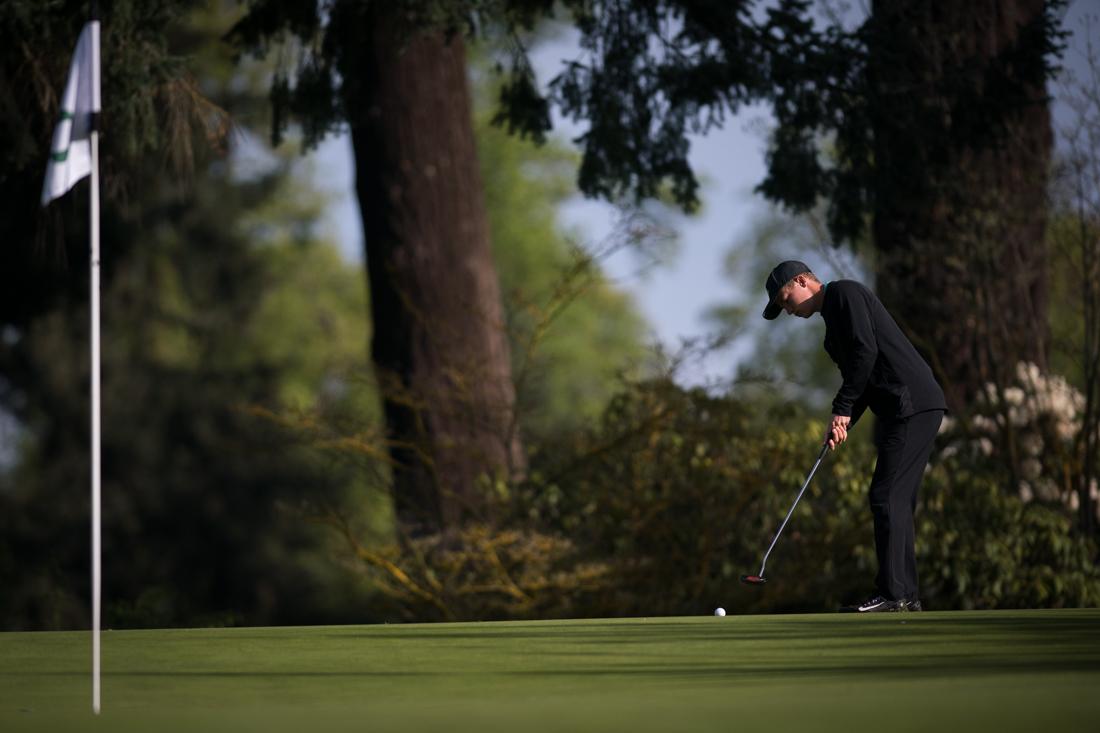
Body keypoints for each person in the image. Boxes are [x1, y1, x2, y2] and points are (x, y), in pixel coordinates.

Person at [762, 260, 947, 612]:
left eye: (786, 300)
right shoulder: (832, 333)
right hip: (902, 409)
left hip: (913, 402)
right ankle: (906, 596)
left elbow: (866, 352)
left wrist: (841, 406)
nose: (788, 310)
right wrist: (843, 421)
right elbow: (860, 382)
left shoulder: (845, 293)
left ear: (802, 281)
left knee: (885, 494)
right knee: (896, 499)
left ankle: (893, 594)